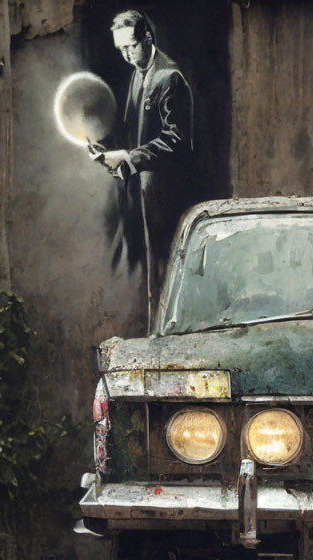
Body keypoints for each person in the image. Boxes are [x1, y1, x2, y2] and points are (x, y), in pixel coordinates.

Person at [95, 10, 195, 329]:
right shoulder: (139, 72)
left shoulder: (170, 78)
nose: (126, 55)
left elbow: (175, 139)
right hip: (143, 196)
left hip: (165, 197)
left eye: (131, 47)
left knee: (167, 276)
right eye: (120, 50)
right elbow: (132, 129)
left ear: (147, 38)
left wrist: (130, 159)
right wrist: (107, 148)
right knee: (151, 277)